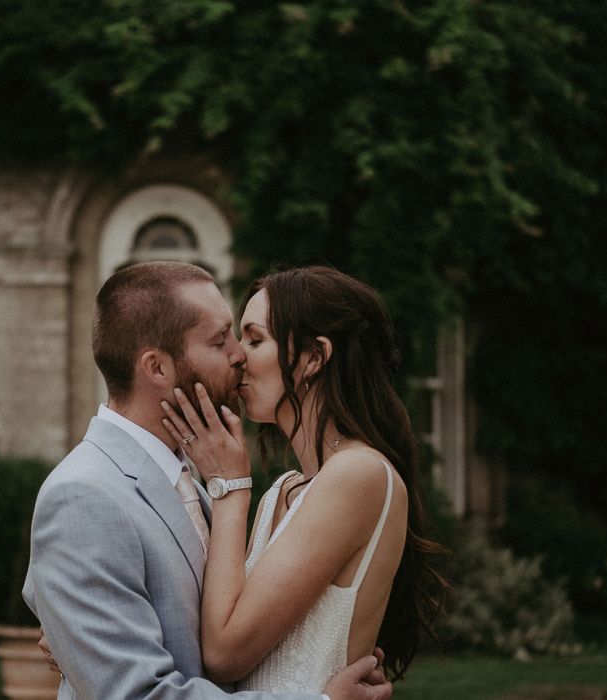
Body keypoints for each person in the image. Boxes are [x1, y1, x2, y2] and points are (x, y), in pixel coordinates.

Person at [23, 261, 392, 700]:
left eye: (248, 337)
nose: (238, 354)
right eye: (222, 341)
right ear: (157, 369)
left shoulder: (195, 483)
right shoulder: (83, 496)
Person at [160, 266, 446, 692]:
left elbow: (224, 655)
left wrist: (229, 487)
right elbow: (216, 624)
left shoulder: (359, 473)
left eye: (256, 339)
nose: (238, 355)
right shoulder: (284, 490)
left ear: (313, 357)